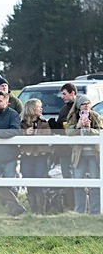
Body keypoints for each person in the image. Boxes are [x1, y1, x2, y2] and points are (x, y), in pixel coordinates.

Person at [65, 94, 101, 214]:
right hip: (79, 155)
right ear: (78, 106)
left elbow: (101, 131)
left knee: (95, 182)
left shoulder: (96, 116)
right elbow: (68, 132)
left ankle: (95, 211)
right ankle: (79, 210)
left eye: (87, 104)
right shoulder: (73, 117)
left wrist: (89, 129)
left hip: (94, 155)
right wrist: (78, 126)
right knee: (78, 182)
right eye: (83, 104)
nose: (85, 106)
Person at [19, 98, 52, 215]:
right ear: (32, 109)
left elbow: (48, 135)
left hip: (41, 156)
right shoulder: (21, 123)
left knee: (40, 182)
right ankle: (33, 211)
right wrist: (25, 133)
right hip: (26, 156)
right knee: (29, 182)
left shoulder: (44, 122)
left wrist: (38, 133)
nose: (41, 109)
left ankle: (41, 212)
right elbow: (15, 135)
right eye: (39, 107)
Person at [52, 82, 77, 210]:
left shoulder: (80, 108)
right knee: (67, 176)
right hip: (64, 150)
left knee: (78, 176)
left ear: (72, 93)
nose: (62, 97)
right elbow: (60, 128)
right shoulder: (63, 109)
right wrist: (53, 126)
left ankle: (80, 205)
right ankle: (70, 205)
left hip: (78, 150)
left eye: (64, 94)